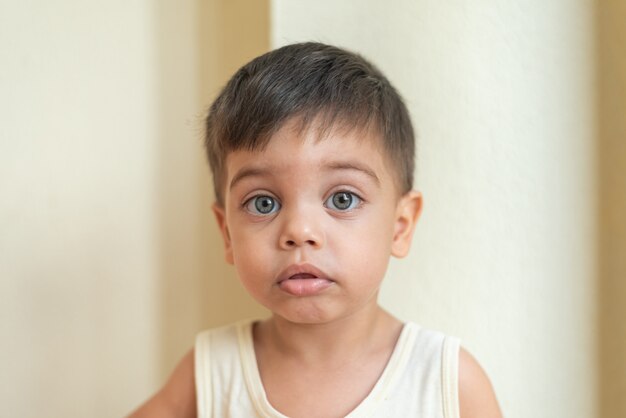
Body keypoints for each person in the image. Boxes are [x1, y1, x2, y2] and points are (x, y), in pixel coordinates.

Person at [128, 42, 502, 418]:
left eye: (342, 199)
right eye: (263, 203)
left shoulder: (446, 383)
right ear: (227, 233)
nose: (299, 231)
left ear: (400, 226)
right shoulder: (210, 374)